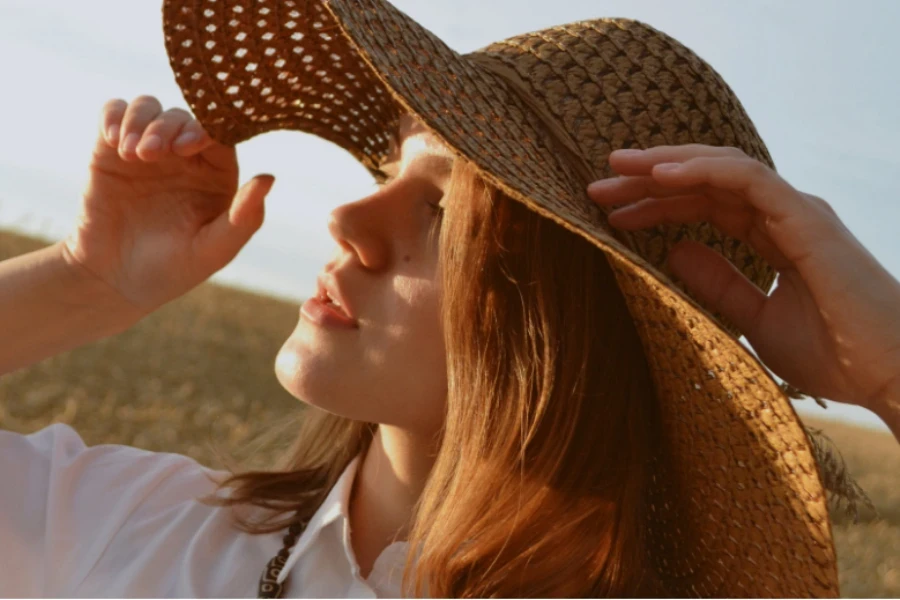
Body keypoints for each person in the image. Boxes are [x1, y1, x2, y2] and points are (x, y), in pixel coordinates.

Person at [1, 1, 898, 597]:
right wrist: (87, 280)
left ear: (565, 325)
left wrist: (891, 374)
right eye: (390, 166)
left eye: (443, 209)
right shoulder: (134, 526)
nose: (349, 211)